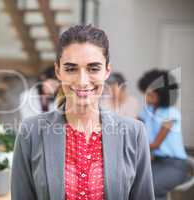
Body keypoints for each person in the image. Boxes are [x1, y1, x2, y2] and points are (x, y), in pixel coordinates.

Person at [11, 25, 154, 200]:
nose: (82, 81)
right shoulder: (30, 131)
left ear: (107, 71)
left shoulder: (135, 133)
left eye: (93, 68)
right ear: (58, 72)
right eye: (71, 69)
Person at [138, 69, 188, 200]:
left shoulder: (170, 113)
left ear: (162, 95)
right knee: (133, 183)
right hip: (156, 162)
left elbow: (155, 144)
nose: (146, 98)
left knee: (150, 187)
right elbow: (134, 126)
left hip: (175, 165)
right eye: (146, 94)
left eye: (151, 95)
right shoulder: (147, 109)